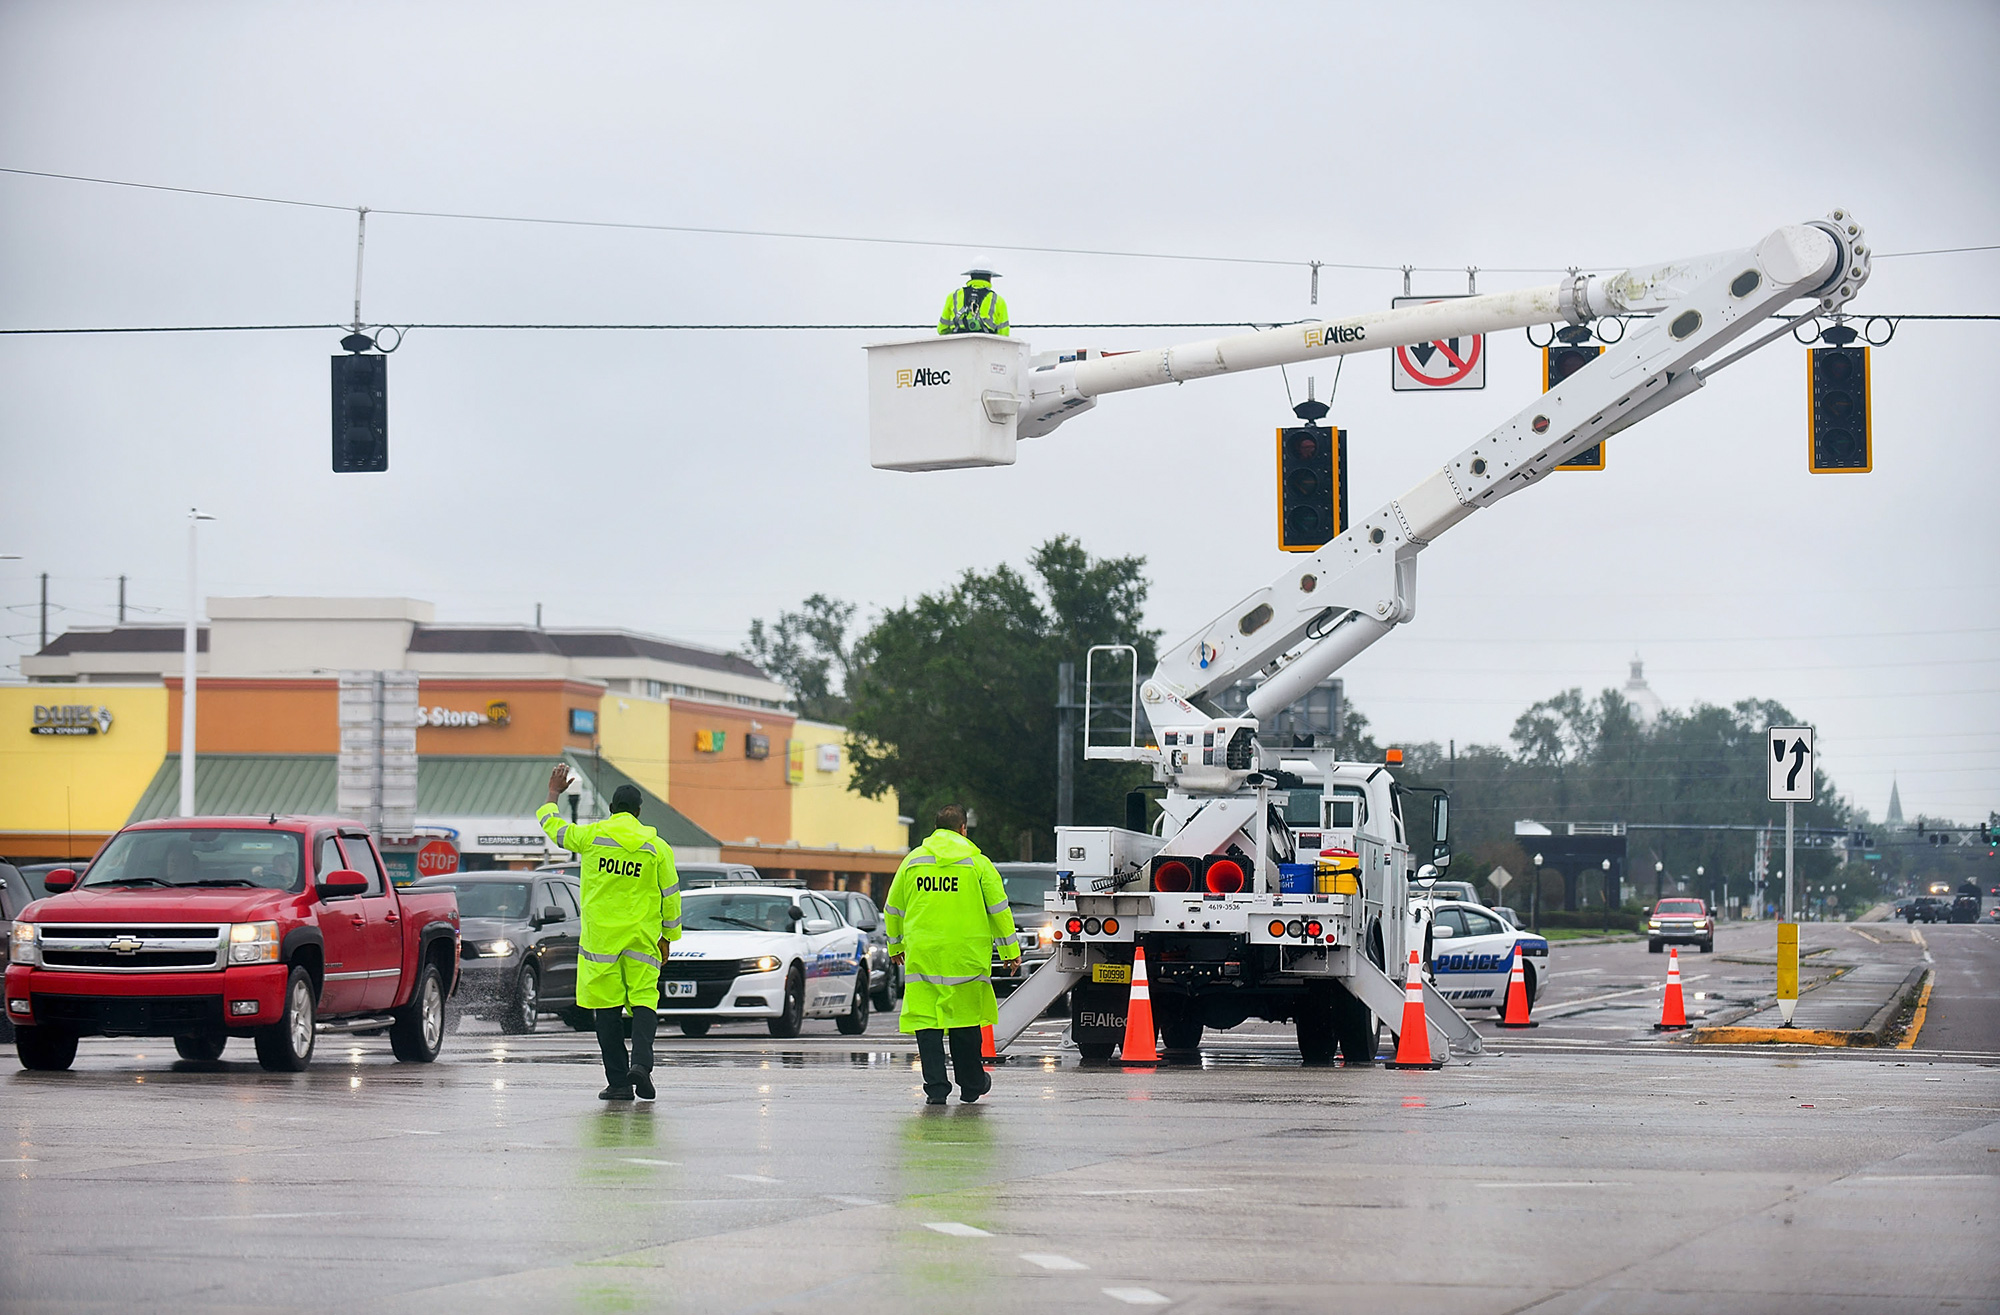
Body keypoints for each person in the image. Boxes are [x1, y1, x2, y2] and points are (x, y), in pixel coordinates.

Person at [536, 766, 680, 1101]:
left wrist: (553, 793)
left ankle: (618, 1083)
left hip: (600, 943)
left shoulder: (591, 837)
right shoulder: (657, 848)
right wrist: (667, 938)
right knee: (644, 1002)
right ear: (639, 813)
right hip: (642, 940)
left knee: (607, 1010)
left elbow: (553, 827)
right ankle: (641, 1066)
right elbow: (670, 896)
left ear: (612, 809)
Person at [884, 805, 1020, 1105]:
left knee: (927, 1023)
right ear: (963, 829)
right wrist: (1010, 951)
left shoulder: (913, 861)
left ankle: (936, 1089)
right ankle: (971, 1085)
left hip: (924, 954)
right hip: (965, 955)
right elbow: (999, 909)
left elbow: (892, 908)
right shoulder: (977, 863)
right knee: (965, 1022)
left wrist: (895, 946)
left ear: (936, 829)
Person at [936, 268, 1010, 336]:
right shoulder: (998, 301)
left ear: (971, 276)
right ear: (989, 278)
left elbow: (942, 329)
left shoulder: (953, 296)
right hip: (986, 347)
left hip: (958, 346)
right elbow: (1004, 335)